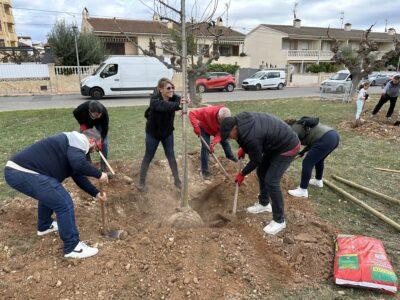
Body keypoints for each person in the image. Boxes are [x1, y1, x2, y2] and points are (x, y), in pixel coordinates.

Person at [4, 128, 108, 259]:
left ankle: (45, 226)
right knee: (64, 203)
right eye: (97, 146)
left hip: (20, 172)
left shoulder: (73, 146)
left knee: (50, 192)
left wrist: (96, 193)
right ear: (92, 140)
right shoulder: (80, 141)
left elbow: (78, 174)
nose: (96, 150)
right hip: (21, 172)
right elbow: (78, 164)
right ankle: (73, 247)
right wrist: (99, 174)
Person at [220, 112, 300, 235]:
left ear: (234, 128)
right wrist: (244, 148)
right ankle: (264, 203)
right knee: (261, 171)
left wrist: (242, 174)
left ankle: (279, 220)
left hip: (288, 146)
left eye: (229, 135)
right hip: (274, 144)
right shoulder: (241, 119)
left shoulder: (251, 137)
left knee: (271, 181)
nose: (229, 138)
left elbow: (256, 159)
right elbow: (252, 140)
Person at [139, 78, 187, 191]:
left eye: (173, 88)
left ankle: (177, 180)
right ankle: (141, 181)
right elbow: (164, 106)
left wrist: (185, 102)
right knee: (148, 156)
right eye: (168, 88)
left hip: (167, 133)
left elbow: (181, 102)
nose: (171, 90)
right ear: (161, 89)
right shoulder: (154, 100)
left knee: (171, 156)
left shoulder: (174, 98)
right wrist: (178, 105)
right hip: (153, 133)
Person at [286, 117, 340, 198]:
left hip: (325, 139)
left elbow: (293, 143)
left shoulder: (293, 129)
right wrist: (302, 152)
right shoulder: (301, 124)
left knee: (307, 163)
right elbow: (313, 141)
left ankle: (302, 190)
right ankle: (318, 181)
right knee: (319, 160)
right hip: (334, 136)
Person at [189, 105, 237, 179]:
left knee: (225, 143)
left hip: (217, 130)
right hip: (205, 128)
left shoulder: (227, 120)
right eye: (222, 121)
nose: (223, 124)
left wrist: (213, 143)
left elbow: (221, 134)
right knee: (205, 148)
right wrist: (196, 126)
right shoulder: (207, 112)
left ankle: (232, 159)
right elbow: (192, 113)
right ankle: (205, 171)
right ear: (218, 116)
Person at [73, 100, 109, 171]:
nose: (98, 116)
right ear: (90, 111)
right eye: (96, 115)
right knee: (83, 142)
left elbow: (105, 129)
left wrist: (100, 141)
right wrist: (82, 124)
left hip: (100, 124)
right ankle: (88, 163)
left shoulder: (104, 113)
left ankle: (103, 167)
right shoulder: (83, 107)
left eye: (99, 115)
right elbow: (75, 113)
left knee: (104, 144)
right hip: (86, 123)